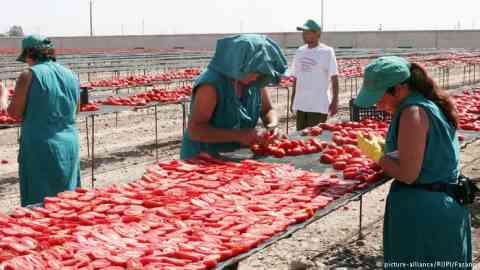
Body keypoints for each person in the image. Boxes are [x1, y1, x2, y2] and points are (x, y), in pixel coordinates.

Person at [355, 56, 471, 269]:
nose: (377, 105)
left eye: (379, 97)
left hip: (425, 216)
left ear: (398, 89)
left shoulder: (412, 113)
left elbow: (408, 174)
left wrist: (379, 156)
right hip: (441, 206)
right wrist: (393, 151)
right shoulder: (428, 104)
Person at [0, 35, 81, 207]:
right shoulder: (72, 75)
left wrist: (3, 97)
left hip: (41, 146)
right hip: (69, 143)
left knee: (41, 205)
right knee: (68, 203)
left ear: (30, 53)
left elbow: (14, 114)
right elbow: (77, 109)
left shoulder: (28, 75)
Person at [180, 34, 287, 160]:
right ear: (239, 64)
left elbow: (267, 110)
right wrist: (238, 135)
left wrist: (272, 126)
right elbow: (195, 129)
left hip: (234, 154)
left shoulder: (255, 81)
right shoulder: (211, 85)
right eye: (254, 72)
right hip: (203, 157)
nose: (256, 77)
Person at [290, 19, 339, 131]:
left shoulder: (326, 52)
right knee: (301, 137)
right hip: (301, 103)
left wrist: (335, 101)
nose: (304, 35)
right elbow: (296, 77)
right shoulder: (300, 51)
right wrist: (293, 99)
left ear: (317, 33)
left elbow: (334, 77)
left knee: (315, 138)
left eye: (307, 32)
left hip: (318, 104)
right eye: (303, 32)